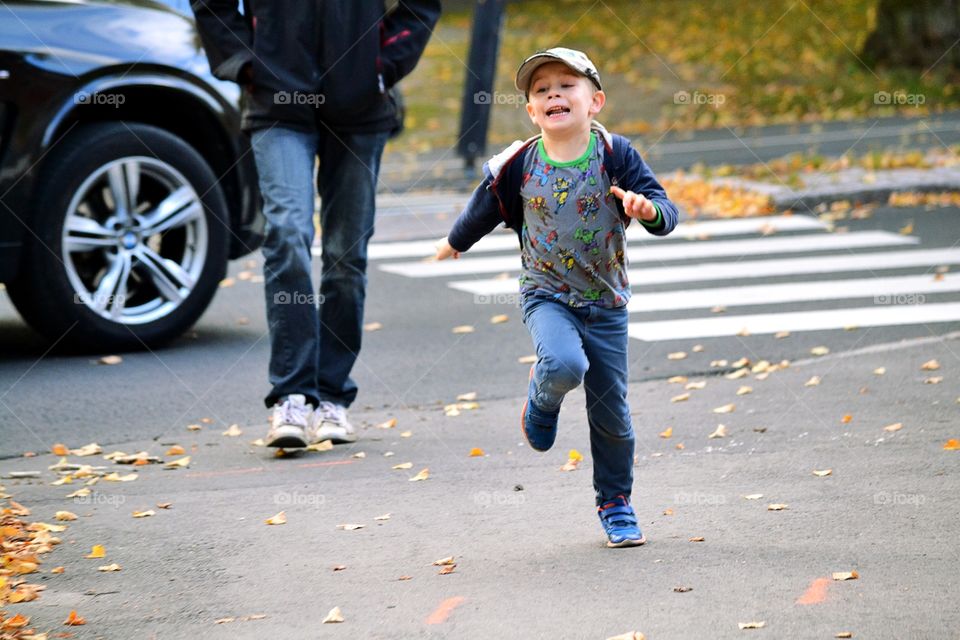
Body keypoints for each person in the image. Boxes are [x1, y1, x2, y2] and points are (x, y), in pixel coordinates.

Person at [435, 48, 679, 547]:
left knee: (613, 417)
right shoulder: (520, 162)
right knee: (565, 363)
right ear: (531, 110)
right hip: (546, 294)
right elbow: (485, 206)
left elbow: (666, 210)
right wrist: (454, 243)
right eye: (541, 90)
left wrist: (647, 210)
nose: (553, 94)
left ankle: (615, 503)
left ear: (595, 101)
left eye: (566, 85)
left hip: (608, 304)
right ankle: (541, 402)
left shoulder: (616, 154)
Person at [192, 1, 441, 448]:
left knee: (346, 254)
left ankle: (331, 398)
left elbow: (420, 5)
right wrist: (246, 63)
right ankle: (291, 394)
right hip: (276, 99)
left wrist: (380, 68)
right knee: (287, 233)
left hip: (360, 105)